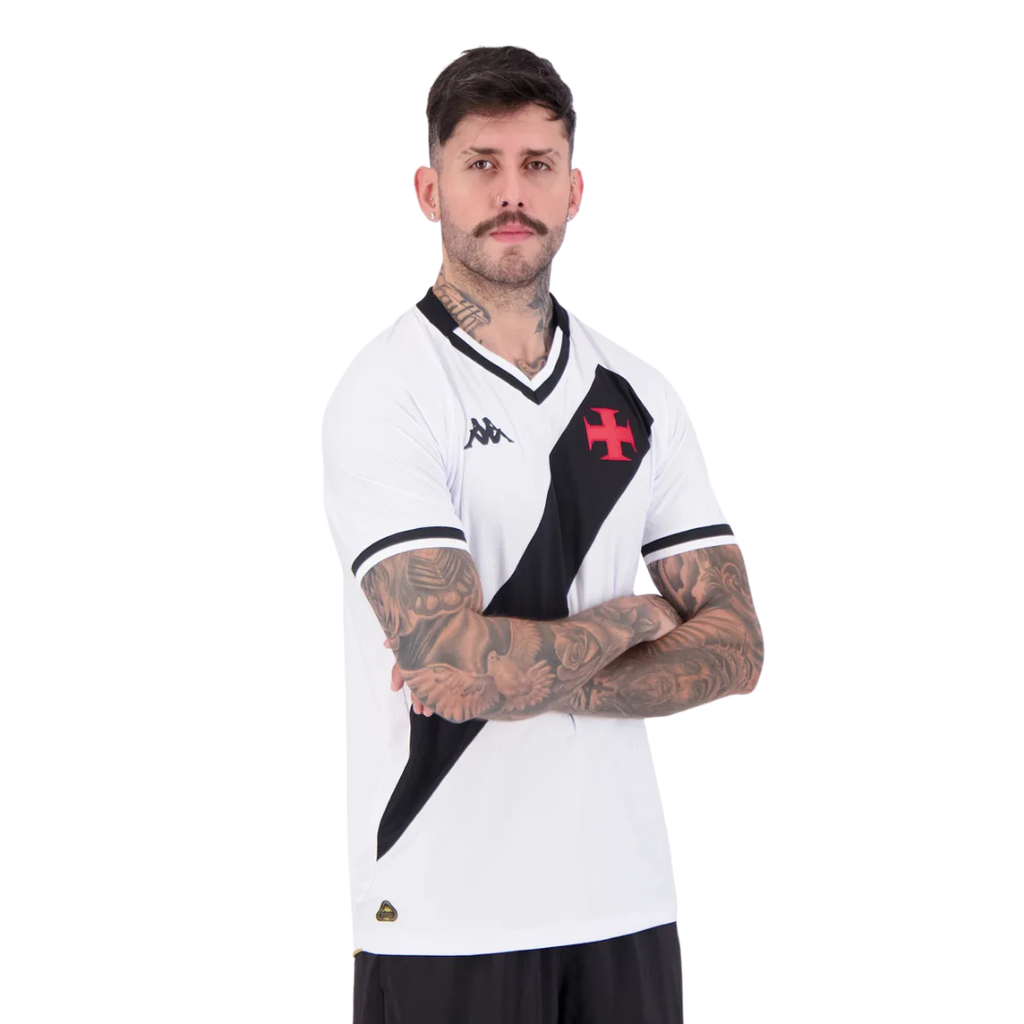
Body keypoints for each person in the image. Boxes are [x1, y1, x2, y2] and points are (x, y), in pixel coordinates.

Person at [321, 44, 764, 1024]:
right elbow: (450, 667)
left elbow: (737, 648)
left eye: (536, 164)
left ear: (574, 190)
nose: (511, 192)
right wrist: (637, 617)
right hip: (444, 914)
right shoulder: (389, 393)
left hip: (626, 901)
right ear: (429, 189)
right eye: (481, 164)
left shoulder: (638, 394)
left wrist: (514, 673)